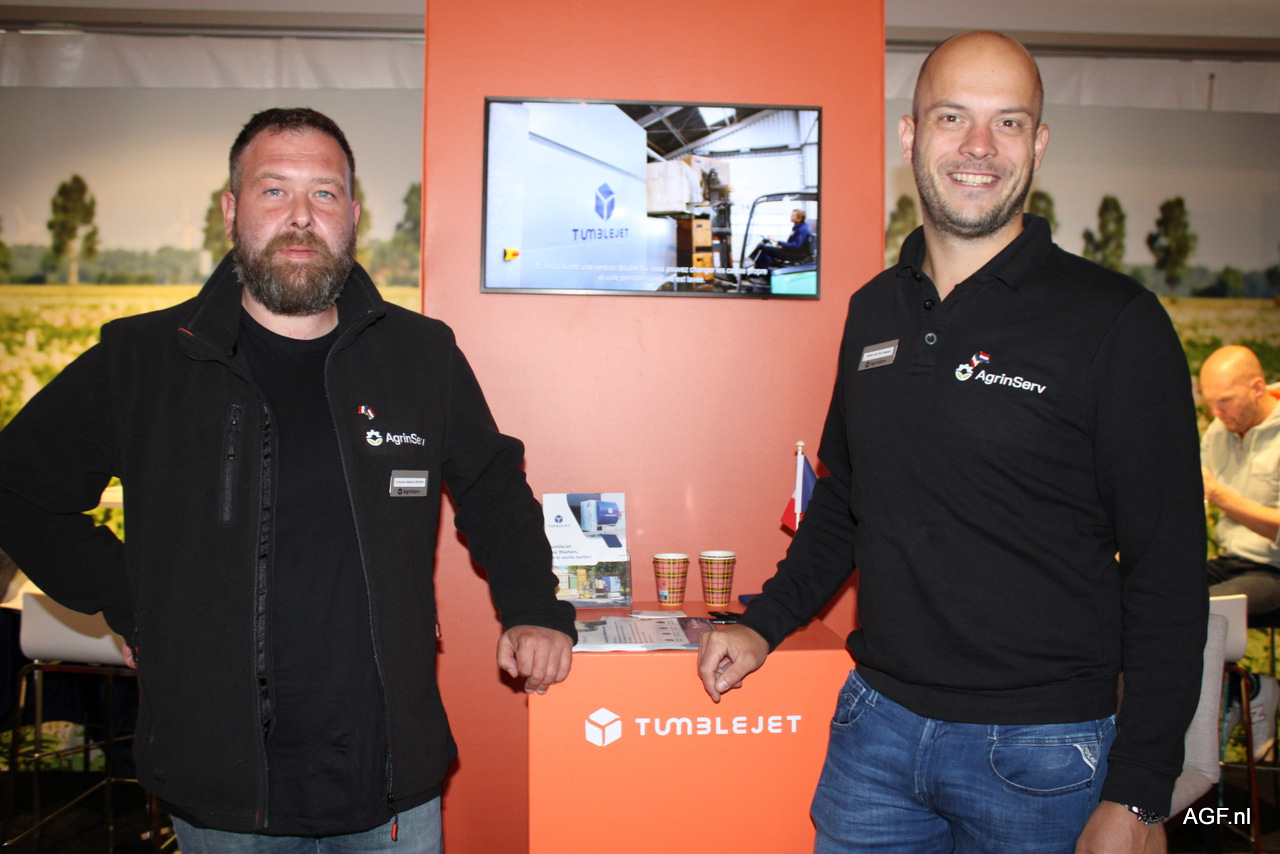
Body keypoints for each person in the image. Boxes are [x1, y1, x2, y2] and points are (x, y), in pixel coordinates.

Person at [0, 107, 575, 852]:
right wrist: (133, 598)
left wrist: (534, 608)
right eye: (274, 190)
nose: (301, 216)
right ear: (231, 210)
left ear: (353, 216)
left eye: (324, 193)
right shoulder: (143, 359)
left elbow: (493, 488)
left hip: (386, 778)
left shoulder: (420, 355)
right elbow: (19, 489)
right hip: (221, 788)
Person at [697, 31, 1206, 853]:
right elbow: (847, 499)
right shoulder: (874, 311)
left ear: (1038, 143)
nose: (978, 146)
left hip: (1045, 755)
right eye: (952, 117)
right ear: (910, 136)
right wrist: (764, 623)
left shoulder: (1116, 322)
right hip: (874, 734)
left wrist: (1142, 791)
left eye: (1008, 122)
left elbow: (1168, 569)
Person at [1201, 344, 1280, 759]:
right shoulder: (1219, 432)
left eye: (1226, 401)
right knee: (1147, 591)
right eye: (1210, 402)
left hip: (1274, 569)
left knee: (1200, 609)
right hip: (1233, 561)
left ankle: (1241, 688)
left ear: (1257, 388)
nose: (1217, 412)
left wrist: (1219, 495)